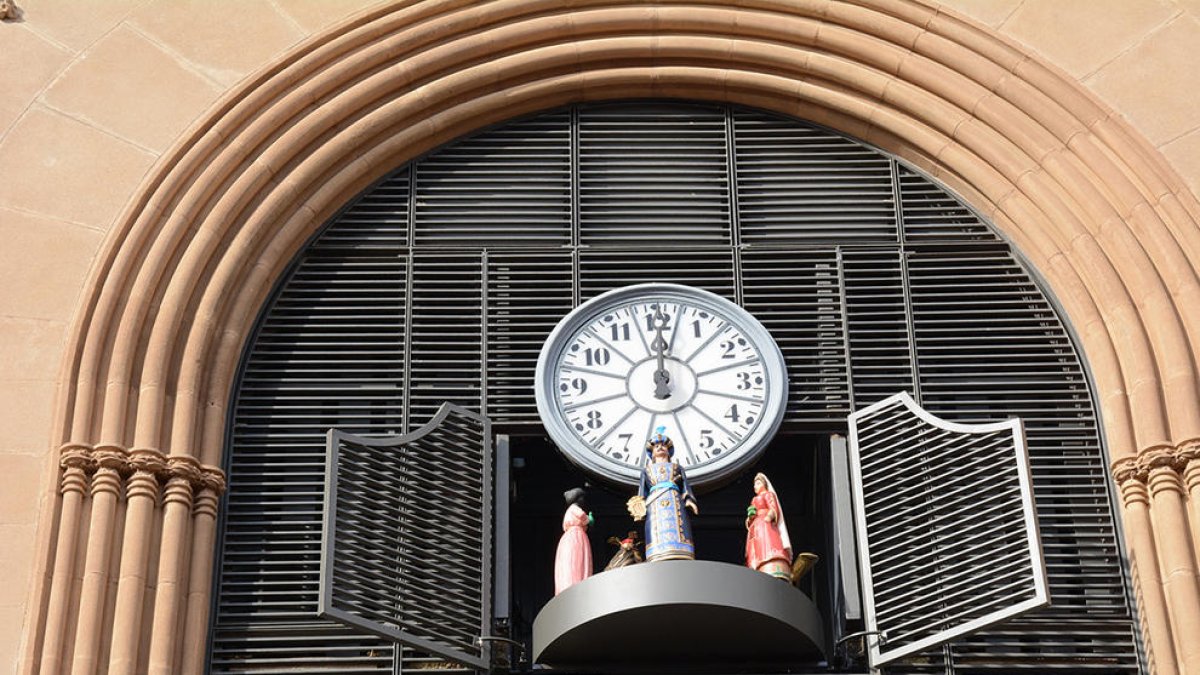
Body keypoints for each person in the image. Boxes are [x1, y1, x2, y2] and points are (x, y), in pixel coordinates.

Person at [627, 428, 698, 561]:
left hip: (674, 499)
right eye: (656, 446)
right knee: (655, 527)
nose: (660, 448)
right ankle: (658, 551)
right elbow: (642, 491)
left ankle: (680, 549)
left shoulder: (677, 467)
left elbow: (686, 487)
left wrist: (689, 500)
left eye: (663, 446)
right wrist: (639, 506)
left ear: (668, 450)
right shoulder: (646, 470)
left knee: (680, 524)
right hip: (655, 504)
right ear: (652, 453)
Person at [745, 472, 793, 580]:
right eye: (754, 484)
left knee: (767, 543)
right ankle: (756, 565)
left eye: (757, 483)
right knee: (755, 547)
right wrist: (750, 517)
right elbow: (752, 511)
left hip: (764, 524)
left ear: (764, 484)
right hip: (755, 526)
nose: (755, 487)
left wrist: (770, 515)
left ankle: (771, 563)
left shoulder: (768, 494)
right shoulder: (754, 499)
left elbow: (773, 507)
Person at [554, 487, 593, 595]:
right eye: (582, 498)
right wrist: (589, 519)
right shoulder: (574, 508)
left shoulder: (570, 510)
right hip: (576, 538)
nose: (583, 501)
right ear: (578, 499)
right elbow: (583, 517)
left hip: (573, 536)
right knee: (576, 561)